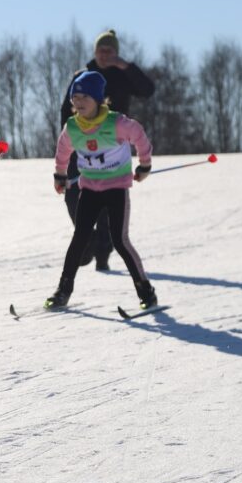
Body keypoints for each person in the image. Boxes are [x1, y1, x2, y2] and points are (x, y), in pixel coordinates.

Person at [45, 70, 156, 310]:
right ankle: (63, 291)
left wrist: (144, 165)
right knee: (79, 239)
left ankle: (146, 292)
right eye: (75, 97)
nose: (78, 102)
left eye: (84, 97)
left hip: (116, 188)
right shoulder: (72, 127)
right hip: (90, 188)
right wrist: (60, 175)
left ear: (97, 99)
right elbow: (63, 151)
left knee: (120, 240)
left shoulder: (116, 123)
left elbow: (139, 136)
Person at [59, 30, 155, 271]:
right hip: (82, 146)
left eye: (109, 51)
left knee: (107, 202)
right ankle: (89, 240)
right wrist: (69, 140)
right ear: (94, 52)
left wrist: (126, 66)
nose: (104, 55)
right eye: (100, 50)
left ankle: (103, 252)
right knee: (73, 194)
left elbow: (147, 90)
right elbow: (65, 110)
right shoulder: (82, 76)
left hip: (113, 147)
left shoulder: (123, 75)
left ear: (116, 52)